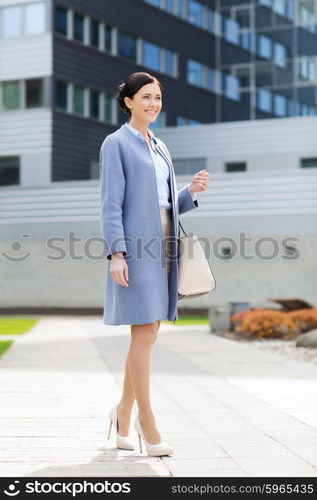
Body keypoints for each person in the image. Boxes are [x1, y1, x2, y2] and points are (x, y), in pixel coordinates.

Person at [99, 71, 209, 456]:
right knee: (143, 332)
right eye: (146, 97)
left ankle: (122, 412)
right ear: (128, 101)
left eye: (158, 98)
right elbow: (111, 203)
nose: (153, 104)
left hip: (165, 248)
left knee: (150, 333)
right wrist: (116, 253)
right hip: (135, 249)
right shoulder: (117, 144)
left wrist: (189, 193)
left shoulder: (160, 146)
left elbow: (163, 204)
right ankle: (148, 423)